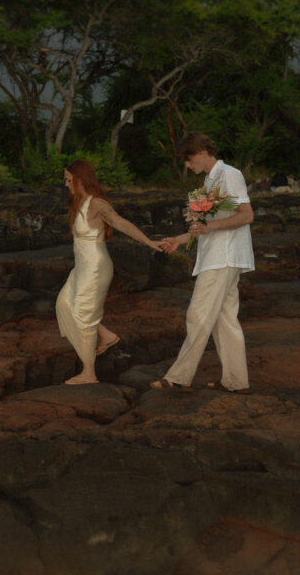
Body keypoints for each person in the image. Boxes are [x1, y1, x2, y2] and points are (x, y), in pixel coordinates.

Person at [151, 132, 255, 394]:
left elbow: (247, 215)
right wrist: (180, 238)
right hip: (218, 256)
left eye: (188, 160)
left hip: (224, 257)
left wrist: (210, 225)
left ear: (201, 153)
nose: (187, 166)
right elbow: (208, 226)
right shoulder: (211, 180)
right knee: (224, 321)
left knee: (197, 314)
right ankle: (236, 382)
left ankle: (178, 377)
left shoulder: (229, 174)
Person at [57, 158, 163, 385]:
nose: (66, 185)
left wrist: (148, 241)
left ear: (79, 179)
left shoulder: (97, 204)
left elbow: (121, 223)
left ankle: (89, 373)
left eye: (68, 180)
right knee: (64, 303)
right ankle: (106, 335)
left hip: (95, 266)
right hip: (83, 266)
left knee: (83, 315)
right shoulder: (78, 202)